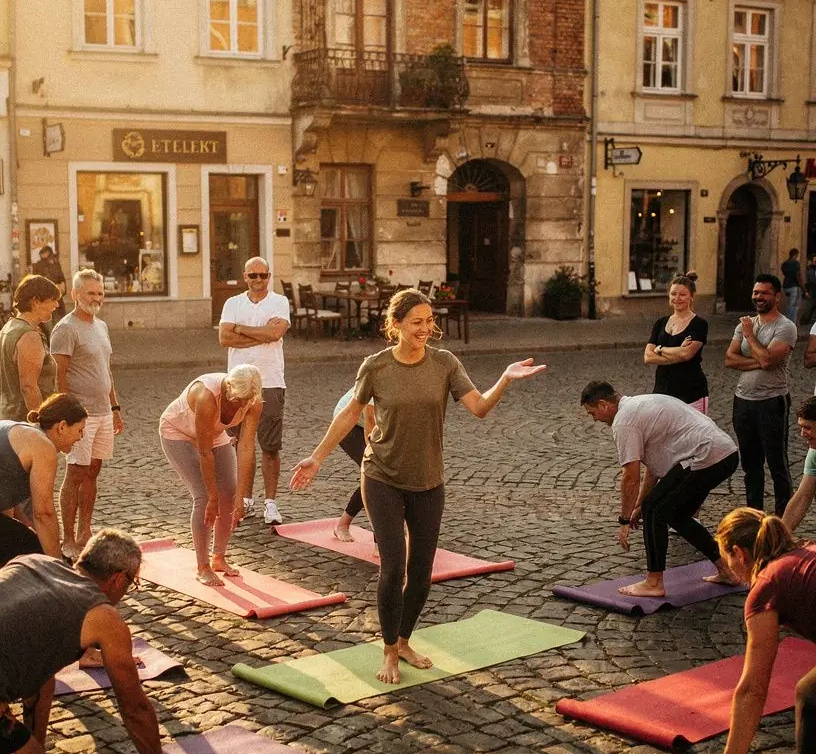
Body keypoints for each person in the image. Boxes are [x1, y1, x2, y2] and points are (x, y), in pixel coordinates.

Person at [291, 289, 546, 683]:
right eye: (417, 322)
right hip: (381, 477)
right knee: (393, 569)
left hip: (428, 481)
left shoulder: (445, 363)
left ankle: (406, 639)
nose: (426, 329)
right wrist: (317, 456)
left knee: (422, 572)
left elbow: (478, 408)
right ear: (395, 326)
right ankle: (389, 650)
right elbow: (350, 415)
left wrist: (505, 380)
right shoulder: (375, 366)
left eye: (430, 321)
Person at [0, 529, 210, 754]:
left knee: (41, 690)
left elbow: (40, 668)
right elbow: (134, 707)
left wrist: (31, 746)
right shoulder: (103, 616)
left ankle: (28, 748)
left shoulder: (33, 561)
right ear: (118, 579)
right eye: (132, 583)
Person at [704, 508, 816, 754]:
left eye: (728, 560)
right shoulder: (804, 554)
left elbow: (753, 687)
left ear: (739, 553)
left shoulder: (767, 585)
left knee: (810, 698)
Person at [581, 381, 740, 598]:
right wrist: (637, 506)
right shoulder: (640, 404)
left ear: (603, 405)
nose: (595, 419)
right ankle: (726, 571)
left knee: (655, 509)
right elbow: (653, 471)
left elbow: (630, 477)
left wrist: (624, 520)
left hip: (707, 456)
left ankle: (654, 582)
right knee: (675, 514)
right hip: (724, 454)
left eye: (592, 413)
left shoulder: (624, 421)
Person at [159, 365, 263, 586]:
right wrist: (212, 497)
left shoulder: (253, 400)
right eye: (239, 401)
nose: (243, 406)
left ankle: (218, 558)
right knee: (204, 497)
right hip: (178, 433)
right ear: (228, 389)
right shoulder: (206, 396)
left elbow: (246, 447)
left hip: (213, 434)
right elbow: (205, 453)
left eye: (247, 401)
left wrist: (241, 496)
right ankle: (202, 566)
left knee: (230, 493)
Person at [50, 270, 125, 560]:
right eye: (91, 293)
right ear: (75, 295)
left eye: (100, 293)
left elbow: (106, 371)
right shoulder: (65, 329)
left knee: (93, 472)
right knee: (75, 474)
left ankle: (85, 531)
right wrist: (67, 416)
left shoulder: (101, 326)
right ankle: (68, 539)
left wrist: (115, 407)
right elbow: (59, 376)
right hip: (79, 415)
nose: (96, 298)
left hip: (104, 412)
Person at [218, 257, 290, 526]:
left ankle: (270, 503)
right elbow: (224, 338)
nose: (259, 280)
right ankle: (244, 500)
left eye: (263, 275)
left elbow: (276, 333)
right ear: (245, 277)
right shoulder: (232, 303)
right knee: (237, 445)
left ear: (269, 276)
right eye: (253, 276)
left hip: (270, 382)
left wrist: (240, 329)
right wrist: (262, 333)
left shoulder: (279, 302)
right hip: (237, 384)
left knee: (270, 447)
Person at [726, 274, 798, 516]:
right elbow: (729, 359)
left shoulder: (785, 327)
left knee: (777, 465)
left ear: (777, 296)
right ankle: (754, 516)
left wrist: (749, 336)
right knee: (750, 465)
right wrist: (759, 360)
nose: (758, 297)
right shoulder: (744, 323)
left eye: (764, 293)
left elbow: (769, 359)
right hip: (743, 402)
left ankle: (782, 521)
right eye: (756, 292)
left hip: (772, 402)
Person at [0, 393, 88, 566]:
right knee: (34, 558)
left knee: (30, 545)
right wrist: (57, 567)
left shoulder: (25, 432)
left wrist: (31, 532)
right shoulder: (42, 445)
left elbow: (8, 498)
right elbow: (44, 513)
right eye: (79, 430)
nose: (81, 437)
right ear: (62, 427)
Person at [643, 271, 709, 412]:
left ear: (692, 297)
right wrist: (677, 353)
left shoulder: (699, 324)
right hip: (662, 392)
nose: (677, 298)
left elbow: (686, 355)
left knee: (693, 434)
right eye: (673, 294)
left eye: (683, 294)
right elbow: (648, 357)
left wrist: (660, 349)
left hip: (691, 393)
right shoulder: (660, 323)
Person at [0, 275, 61, 420]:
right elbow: (28, 388)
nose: (57, 305)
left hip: (9, 415)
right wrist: (41, 424)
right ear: (36, 301)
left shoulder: (8, 328)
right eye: (53, 300)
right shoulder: (29, 335)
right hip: (25, 422)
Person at [331, 386, 376, 541]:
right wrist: (373, 455)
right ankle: (343, 525)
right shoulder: (380, 371)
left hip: (376, 422)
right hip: (348, 421)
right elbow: (370, 421)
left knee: (388, 475)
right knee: (375, 475)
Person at [782, 397, 816, 533]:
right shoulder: (814, 453)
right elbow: (803, 497)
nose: (802, 434)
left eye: (807, 428)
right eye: (801, 427)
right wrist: (780, 539)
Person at [35, 245, 67, 321]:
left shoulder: (55, 263)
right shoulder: (39, 265)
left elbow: (61, 275)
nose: (44, 254)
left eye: (46, 252)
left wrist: (63, 284)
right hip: (46, 294)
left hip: (56, 293)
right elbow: (38, 279)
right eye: (43, 253)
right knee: (47, 317)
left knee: (60, 315)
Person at [780, 248, 803, 324]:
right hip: (794, 286)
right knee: (794, 306)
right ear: (795, 254)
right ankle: (791, 323)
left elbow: (785, 273)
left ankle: (788, 322)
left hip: (786, 286)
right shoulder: (796, 263)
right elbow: (798, 276)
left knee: (790, 304)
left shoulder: (784, 264)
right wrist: (803, 288)